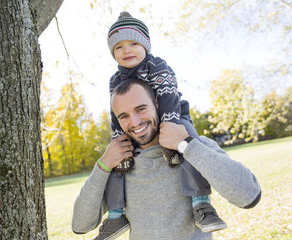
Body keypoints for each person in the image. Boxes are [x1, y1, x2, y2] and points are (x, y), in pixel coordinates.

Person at [72, 79, 261, 240]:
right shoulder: (120, 164)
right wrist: (103, 165)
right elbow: (80, 225)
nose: (135, 122)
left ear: (156, 102)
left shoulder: (193, 145)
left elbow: (249, 196)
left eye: (141, 109)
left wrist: (185, 145)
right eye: (124, 116)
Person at [100, 11, 225, 239]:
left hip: (174, 116)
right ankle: (116, 214)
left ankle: (201, 203)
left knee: (190, 147)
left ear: (146, 45)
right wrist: (120, 141)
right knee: (117, 158)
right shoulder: (115, 80)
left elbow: (168, 97)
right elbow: (115, 112)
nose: (126, 50)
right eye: (118, 47)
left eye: (133, 43)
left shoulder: (157, 66)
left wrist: (171, 134)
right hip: (137, 126)